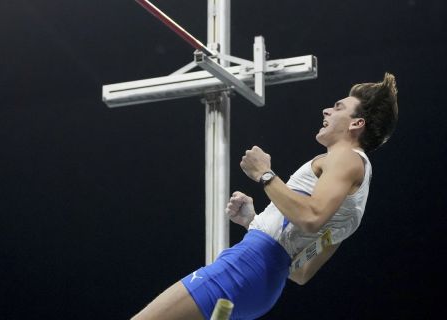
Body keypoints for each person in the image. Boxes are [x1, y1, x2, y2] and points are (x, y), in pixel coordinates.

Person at [131, 73, 398, 320]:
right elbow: (300, 271)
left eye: (339, 107)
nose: (327, 110)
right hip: (264, 285)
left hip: (246, 266)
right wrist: (253, 222)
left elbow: (311, 216)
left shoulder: (346, 157)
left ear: (357, 123)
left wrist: (265, 174)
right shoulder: (355, 195)